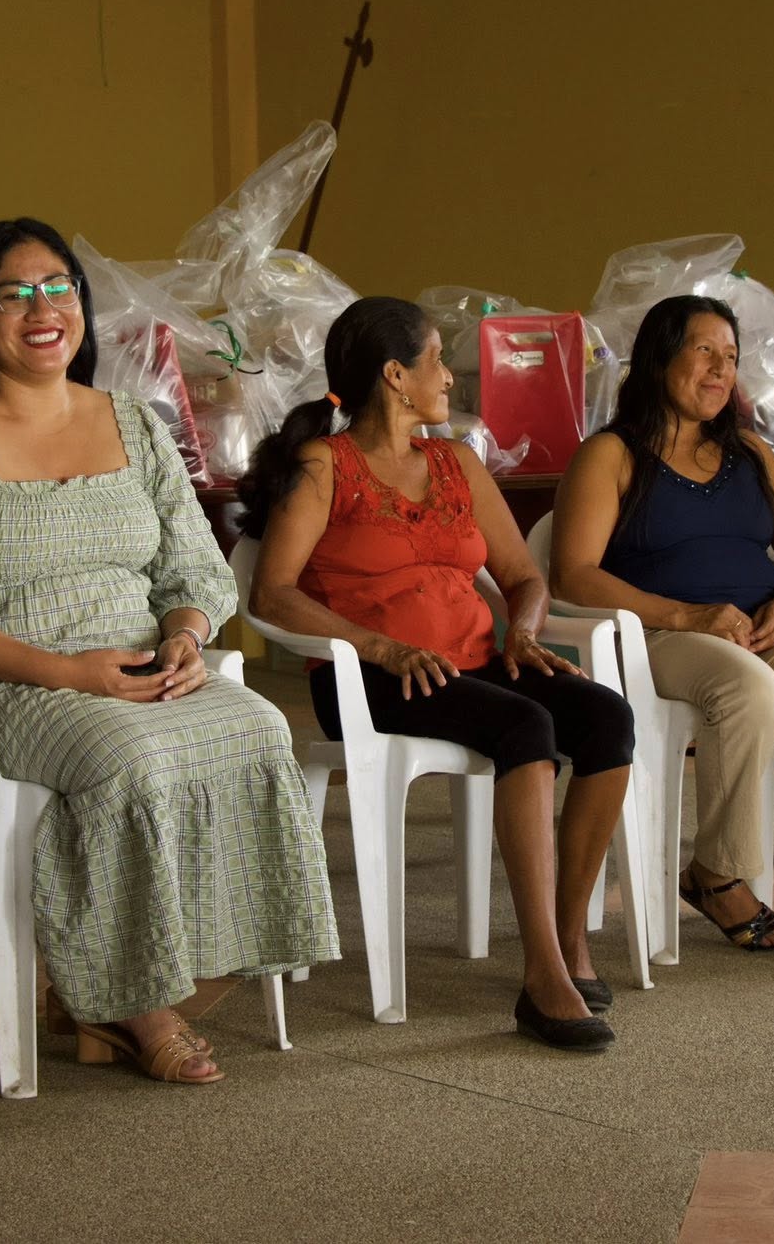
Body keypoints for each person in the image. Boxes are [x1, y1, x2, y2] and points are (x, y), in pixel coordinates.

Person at [0, 218, 338, 1087]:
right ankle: (128, 1001)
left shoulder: (132, 421)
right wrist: (69, 672)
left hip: (140, 665)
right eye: (14, 294)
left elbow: (195, 566)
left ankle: (152, 972)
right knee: (128, 759)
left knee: (262, 728)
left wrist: (185, 636)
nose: (42, 310)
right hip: (0, 685)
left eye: (59, 289)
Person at [243, 297, 634, 1050]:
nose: (449, 377)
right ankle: (543, 976)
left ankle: (567, 939)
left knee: (605, 717)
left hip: (475, 664)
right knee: (527, 726)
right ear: (395, 375)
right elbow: (273, 592)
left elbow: (525, 577)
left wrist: (523, 633)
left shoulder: (458, 463)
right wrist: (380, 647)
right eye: (436, 360)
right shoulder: (326, 465)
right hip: (371, 680)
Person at [549, 295, 774, 967]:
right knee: (750, 689)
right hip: (663, 635)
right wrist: (686, 614)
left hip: (764, 627)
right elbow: (573, 574)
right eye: (703, 350)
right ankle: (716, 873)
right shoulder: (611, 454)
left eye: (730, 357)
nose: (720, 370)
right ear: (659, 358)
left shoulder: (751, 454)